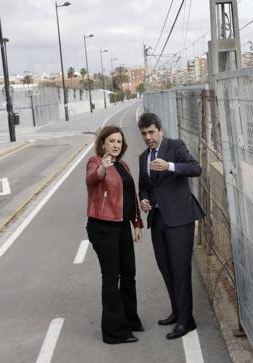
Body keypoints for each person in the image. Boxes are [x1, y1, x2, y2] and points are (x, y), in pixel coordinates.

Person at [137, 112, 205, 340]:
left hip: (180, 219)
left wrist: (170, 166)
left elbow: (195, 168)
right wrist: (143, 199)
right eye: (144, 134)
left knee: (180, 269)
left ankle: (187, 322)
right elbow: (144, 186)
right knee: (166, 269)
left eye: (151, 132)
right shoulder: (142, 158)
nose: (148, 137)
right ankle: (178, 312)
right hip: (157, 220)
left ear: (160, 131)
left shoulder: (175, 146)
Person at [85, 126, 144, 344]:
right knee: (111, 277)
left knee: (129, 274)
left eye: (119, 141)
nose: (116, 145)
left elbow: (131, 197)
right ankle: (113, 331)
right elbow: (92, 179)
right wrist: (102, 168)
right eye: (111, 141)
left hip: (122, 228)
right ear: (102, 144)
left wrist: (136, 223)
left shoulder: (124, 165)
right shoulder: (95, 162)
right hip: (102, 228)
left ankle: (130, 320)